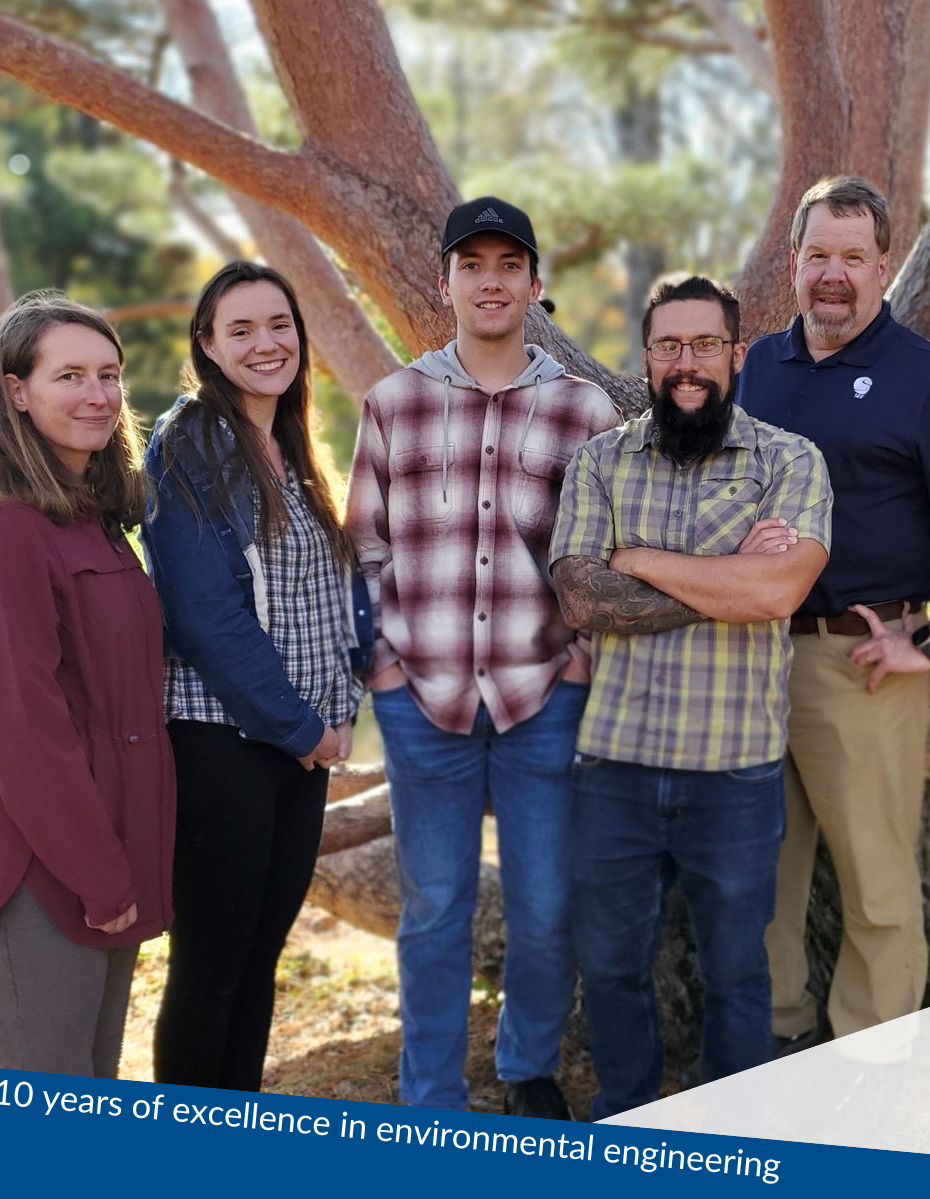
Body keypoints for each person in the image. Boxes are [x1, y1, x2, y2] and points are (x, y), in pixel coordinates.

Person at [737, 176, 930, 1049]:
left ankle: (871, 1055)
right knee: (757, 875)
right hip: (747, 657)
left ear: (883, 267)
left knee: (876, 881)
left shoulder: (926, 377)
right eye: (819, 254)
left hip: (858, 659)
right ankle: (771, 1037)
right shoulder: (754, 366)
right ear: (792, 263)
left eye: (853, 257)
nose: (834, 273)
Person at [345, 197, 619, 1117]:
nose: (492, 280)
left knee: (546, 907)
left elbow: (597, 553)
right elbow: (368, 547)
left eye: (510, 264)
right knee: (435, 912)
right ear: (446, 282)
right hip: (421, 700)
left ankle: (527, 1064)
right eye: (474, 264)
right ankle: (430, 1092)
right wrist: (384, 667)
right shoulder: (395, 401)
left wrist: (578, 662)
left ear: (537, 285)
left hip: (544, 693)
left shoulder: (584, 410)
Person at [550, 274, 832, 1118]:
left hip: (734, 770)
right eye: (669, 346)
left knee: (740, 968)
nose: (687, 363)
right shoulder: (600, 460)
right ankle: (631, 1108)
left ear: (736, 354)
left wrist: (636, 558)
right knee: (607, 962)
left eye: (704, 344)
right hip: (615, 768)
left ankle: (729, 1126)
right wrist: (727, 574)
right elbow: (581, 598)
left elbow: (779, 592)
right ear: (647, 357)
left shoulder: (790, 459)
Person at [0, 291, 173, 1077]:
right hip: (42, 863)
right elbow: (22, 725)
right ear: (16, 390)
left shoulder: (89, 517)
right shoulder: (0, 530)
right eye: (70, 375)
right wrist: (97, 871)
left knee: (93, 1087)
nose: (98, 395)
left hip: (112, 843)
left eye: (110, 375)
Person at [143, 262, 362, 1092]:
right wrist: (306, 728)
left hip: (296, 746)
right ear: (206, 344)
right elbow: (204, 612)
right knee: (210, 966)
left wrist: (328, 717)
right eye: (241, 329)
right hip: (223, 742)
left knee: (258, 957)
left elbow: (319, 597)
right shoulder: (191, 441)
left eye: (279, 324)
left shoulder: (292, 442)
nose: (266, 343)